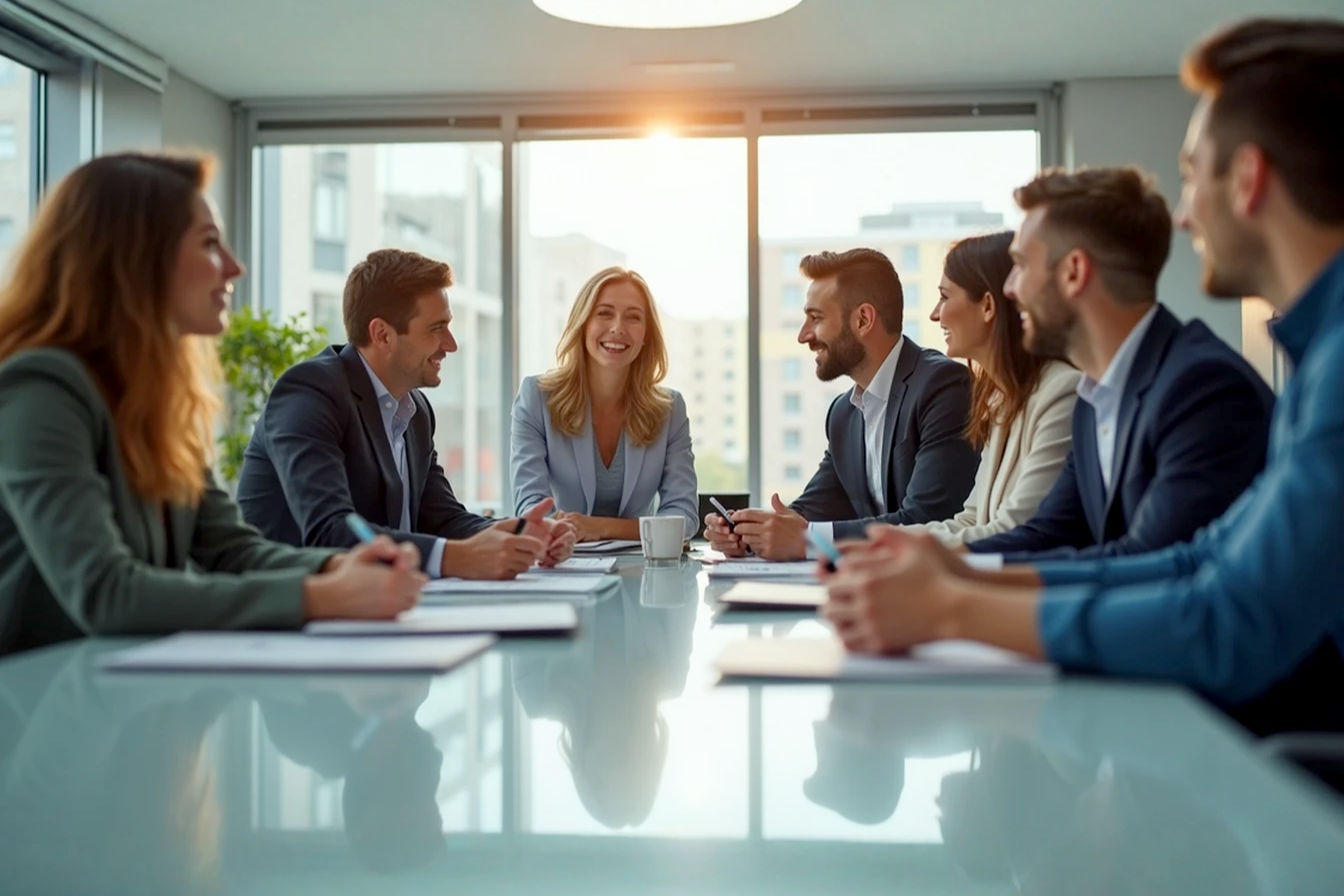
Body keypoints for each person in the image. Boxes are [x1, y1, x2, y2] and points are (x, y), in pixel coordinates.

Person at [822, 17, 1344, 735]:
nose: (1185, 219)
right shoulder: (1303, 360)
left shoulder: (1240, 381)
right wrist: (961, 577)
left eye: (1193, 177)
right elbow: (1191, 557)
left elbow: (1223, 613)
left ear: (1249, 179)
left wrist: (956, 605)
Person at [0, 153, 424, 656]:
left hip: (119, 699)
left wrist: (339, 568)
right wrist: (321, 595)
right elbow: (106, 592)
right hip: (34, 714)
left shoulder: (155, 400)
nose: (233, 266)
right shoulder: (41, 388)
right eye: (208, 244)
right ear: (136, 260)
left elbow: (230, 547)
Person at [959, 166, 1274, 563]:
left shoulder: (1204, 389)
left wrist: (955, 589)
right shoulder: (1094, 398)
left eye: (1021, 265)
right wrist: (938, 566)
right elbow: (1046, 534)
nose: (1009, 288)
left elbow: (1149, 563)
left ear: (1074, 272)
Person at [238, 248, 575, 579]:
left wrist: (519, 534)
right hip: (292, 616)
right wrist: (455, 558)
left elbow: (444, 520)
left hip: (379, 608)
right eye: (436, 328)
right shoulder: (311, 392)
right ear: (382, 335)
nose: (451, 344)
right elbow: (329, 531)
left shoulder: (415, 412)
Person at [705, 248, 980, 559]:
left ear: (863, 319)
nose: (803, 335)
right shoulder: (843, 413)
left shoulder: (943, 386)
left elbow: (930, 520)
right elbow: (815, 508)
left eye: (816, 317)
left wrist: (804, 539)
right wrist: (749, 531)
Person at [903, 231, 1079, 545]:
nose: (935, 314)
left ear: (987, 306)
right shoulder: (1002, 397)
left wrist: (890, 549)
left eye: (945, 297)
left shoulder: (1062, 392)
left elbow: (1016, 532)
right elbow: (972, 519)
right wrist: (873, 542)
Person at [511, 267, 698, 542]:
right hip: (561, 565)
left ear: (646, 333)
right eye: (604, 313)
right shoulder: (536, 398)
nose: (618, 328)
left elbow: (684, 517)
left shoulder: (670, 409)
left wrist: (600, 527)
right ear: (583, 322)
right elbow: (532, 507)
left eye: (633, 317)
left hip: (645, 571)